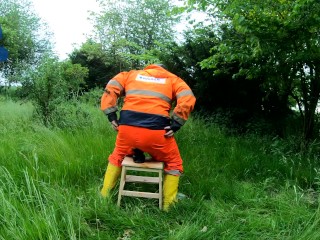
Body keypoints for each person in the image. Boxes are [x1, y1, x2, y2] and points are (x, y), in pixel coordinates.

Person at [100, 63, 196, 211]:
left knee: (118, 155)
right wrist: (176, 123)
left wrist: (111, 115)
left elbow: (111, 87)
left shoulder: (131, 74)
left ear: (148, 68)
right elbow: (187, 97)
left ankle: (104, 196)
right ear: (164, 69)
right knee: (174, 162)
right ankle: (168, 206)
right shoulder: (173, 79)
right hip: (157, 131)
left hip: (127, 128)